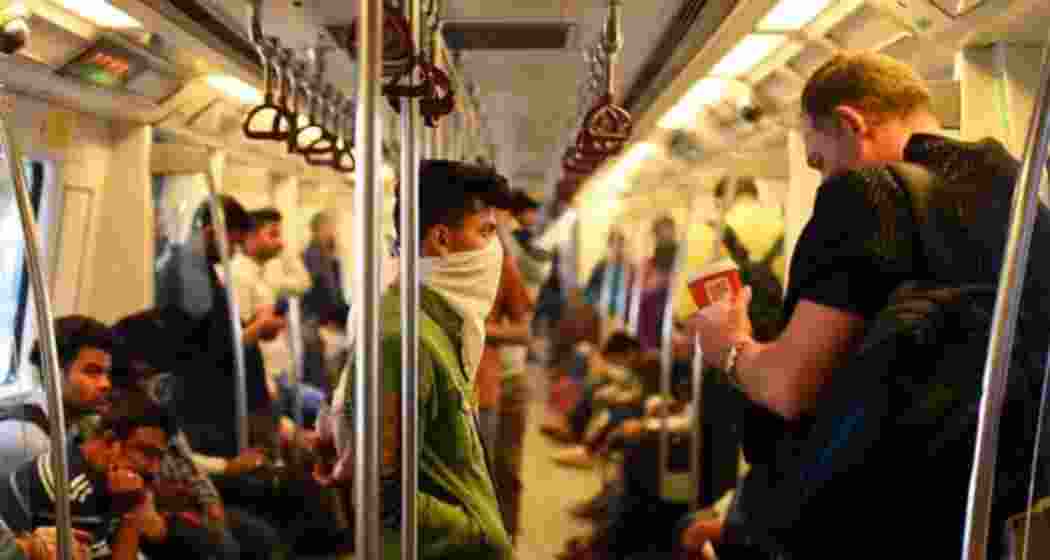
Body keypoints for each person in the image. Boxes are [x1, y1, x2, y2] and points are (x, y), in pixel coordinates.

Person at [683, 51, 1050, 557]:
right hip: (974, 520)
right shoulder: (1017, 189)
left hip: (851, 523)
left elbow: (790, 387)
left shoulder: (866, 194)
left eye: (818, 159)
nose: (821, 177)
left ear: (850, 123)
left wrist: (729, 346)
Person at [316, 159, 516, 560]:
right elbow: (382, 492)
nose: (495, 250)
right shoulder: (405, 339)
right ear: (441, 239)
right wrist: (475, 530)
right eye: (486, 232)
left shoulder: (436, 324)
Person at [110, 308, 282, 560]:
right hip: (159, 506)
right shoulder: (121, 413)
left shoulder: (160, 404)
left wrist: (209, 500)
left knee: (260, 534)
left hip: (188, 496)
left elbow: (187, 460)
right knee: (221, 546)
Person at [0, 409, 175, 560]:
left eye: (159, 457)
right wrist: (130, 512)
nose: (154, 468)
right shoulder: (74, 492)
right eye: (147, 453)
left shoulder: (75, 458)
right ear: (110, 442)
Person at [231, 208, 322, 429]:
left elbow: (303, 284)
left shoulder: (269, 272)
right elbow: (242, 337)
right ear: (250, 236)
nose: (279, 243)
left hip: (281, 373)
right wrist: (264, 325)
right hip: (265, 379)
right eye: (273, 234)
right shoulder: (237, 276)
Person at [0, 316, 115, 474]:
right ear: (54, 373)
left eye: (106, 373)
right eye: (92, 372)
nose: (105, 384)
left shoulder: (75, 428)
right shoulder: (27, 439)